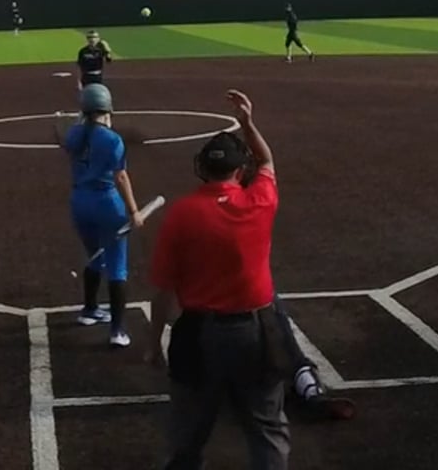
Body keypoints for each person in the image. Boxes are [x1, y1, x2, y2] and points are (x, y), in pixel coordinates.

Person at [146, 89, 291, 470]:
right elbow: (267, 160)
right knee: (267, 429)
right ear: (239, 171)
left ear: (202, 169)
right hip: (258, 331)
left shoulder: (182, 214)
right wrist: (247, 123)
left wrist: (154, 343)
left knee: (188, 432)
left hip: (200, 335)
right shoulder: (260, 200)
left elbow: (164, 292)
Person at [64, 83, 144, 348]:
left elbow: (75, 140)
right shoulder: (112, 140)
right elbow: (120, 177)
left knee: (94, 255)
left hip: (79, 202)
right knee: (117, 265)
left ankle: (89, 310)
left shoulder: (74, 134)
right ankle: (117, 331)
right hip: (107, 204)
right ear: (108, 108)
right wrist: (134, 211)